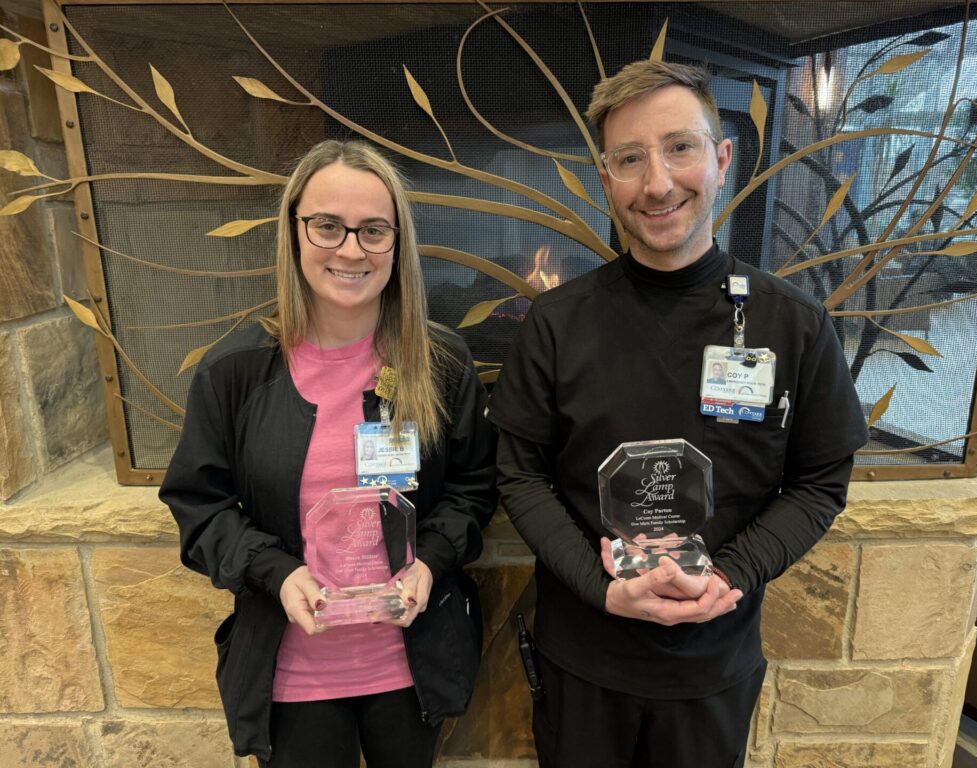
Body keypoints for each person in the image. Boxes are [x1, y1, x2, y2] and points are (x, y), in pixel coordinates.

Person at [487, 60, 868, 768]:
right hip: (582, 665)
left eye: (680, 148)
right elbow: (520, 476)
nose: (658, 182)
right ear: (607, 181)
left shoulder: (794, 325)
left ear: (722, 159)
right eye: (630, 159)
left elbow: (821, 481)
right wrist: (602, 588)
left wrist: (730, 574)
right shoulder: (555, 324)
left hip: (712, 669)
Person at [160, 140, 497, 768]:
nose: (351, 249)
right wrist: (276, 572)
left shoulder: (441, 363)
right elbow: (198, 506)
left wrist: (431, 562)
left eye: (373, 230)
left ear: (397, 243)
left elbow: (475, 488)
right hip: (293, 675)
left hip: (410, 667)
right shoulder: (236, 371)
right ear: (293, 231)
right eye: (327, 226)